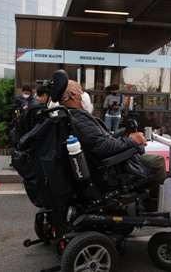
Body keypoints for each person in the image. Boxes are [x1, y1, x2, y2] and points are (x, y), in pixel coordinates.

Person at [60, 80, 165, 208]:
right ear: (72, 94)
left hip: (103, 160)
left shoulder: (67, 114)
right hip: (110, 166)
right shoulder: (79, 117)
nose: (84, 94)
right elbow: (101, 147)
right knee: (158, 162)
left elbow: (99, 142)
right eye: (81, 89)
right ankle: (152, 206)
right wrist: (131, 141)